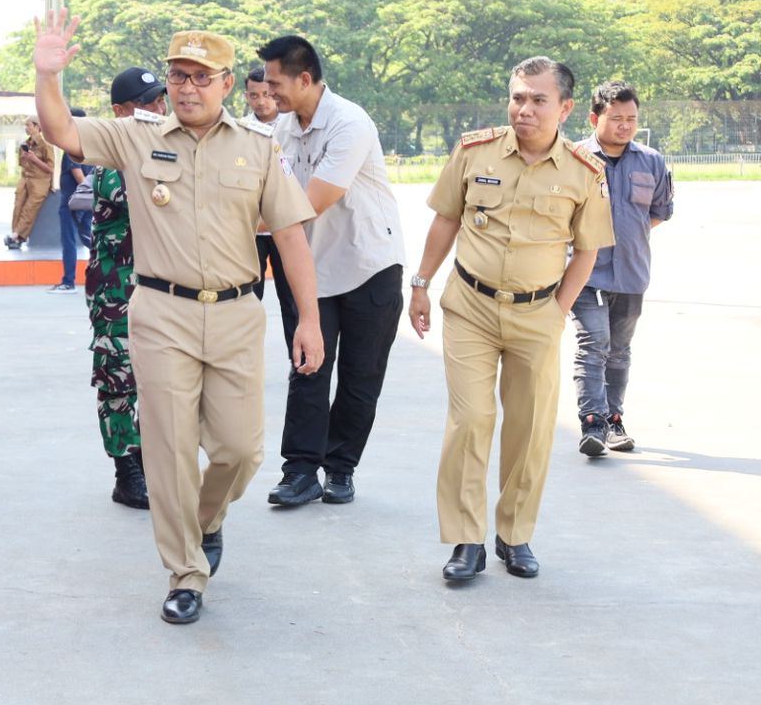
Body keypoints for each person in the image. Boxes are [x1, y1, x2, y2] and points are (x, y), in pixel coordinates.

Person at [33, 13, 323, 625]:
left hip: (238, 312)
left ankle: (207, 518)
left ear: (225, 84)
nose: (187, 87)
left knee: (240, 450)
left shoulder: (258, 148)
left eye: (200, 77)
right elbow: (61, 130)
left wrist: (310, 321)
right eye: (177, 76)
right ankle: (186, 571)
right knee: (167, 450)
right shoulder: (137, 137)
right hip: (160, 312)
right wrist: (47, 74)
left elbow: (292, 236)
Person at [408, 56, 614, 583]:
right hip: (470, 307)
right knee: (471, 420)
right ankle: (466, 540)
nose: (524, 109)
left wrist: (557, 312)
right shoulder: (474, 150)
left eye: (538, 99)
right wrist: (421, 284)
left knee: (530, 428)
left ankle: (514, 534)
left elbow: (587, 251)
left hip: (537, 314)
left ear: (566, 108)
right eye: (518, 97)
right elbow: (446, 219)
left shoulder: (584, 172)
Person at [258, 35, 407, 508]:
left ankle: (341, 467)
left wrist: (230, 223)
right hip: (308, 269)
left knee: (361, 376)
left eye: (276, 83)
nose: (269, 93)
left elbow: (309, 204)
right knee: (307, 366)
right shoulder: (281, 127)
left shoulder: (349, 122)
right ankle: (300, 471)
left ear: (305, 79)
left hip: (368, 266)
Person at [572, 81, 673, 457]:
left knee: (619, 351)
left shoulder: (651, 161)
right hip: (584, 273)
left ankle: (615, 421)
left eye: (631, 119)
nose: (625, 126)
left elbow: (660, 211)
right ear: (594, 117)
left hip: (631, 273)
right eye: (616, 118)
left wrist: (626, 237)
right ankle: (592, 423)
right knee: (592, 345)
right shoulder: (575, 158)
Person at [85, 66, 167, 510]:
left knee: (162, 379)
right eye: (147, 103)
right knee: (119, 378)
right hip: (117, 291)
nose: (158, 109)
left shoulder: (163, 149)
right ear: (119, 112)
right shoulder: (115, 159)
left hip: (160, 288)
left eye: (160, 100)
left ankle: (150, 459)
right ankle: (126, 469)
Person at [242, 65, 280, 301]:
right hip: (251, 230)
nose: (261, 102)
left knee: (292, 301)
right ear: (246, 96)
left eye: (266, 94)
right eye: (254, 95)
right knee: (249, 298)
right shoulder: (239, 129)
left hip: (284, 227)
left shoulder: (293, 125)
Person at [50, 108, 92, 292]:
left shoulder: (71, 148)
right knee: (89, 239)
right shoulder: (89, 146)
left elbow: (78, 174)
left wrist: (86, 191)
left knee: (69, 241)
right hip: (86, 203)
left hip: (72, 204)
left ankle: (68, 282)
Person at [5, 116, 54, 249]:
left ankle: (16, 236)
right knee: (18, 206)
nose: (26, 128)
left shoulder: (46, 145)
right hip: (25, 179)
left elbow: (50, 168)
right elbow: (22, 164)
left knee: (29, 210)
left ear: (37, 127)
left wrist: (34, 159)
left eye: (29, 125)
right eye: (25, 126)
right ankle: (16, 236)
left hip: (40, 182)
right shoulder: (25, 144)